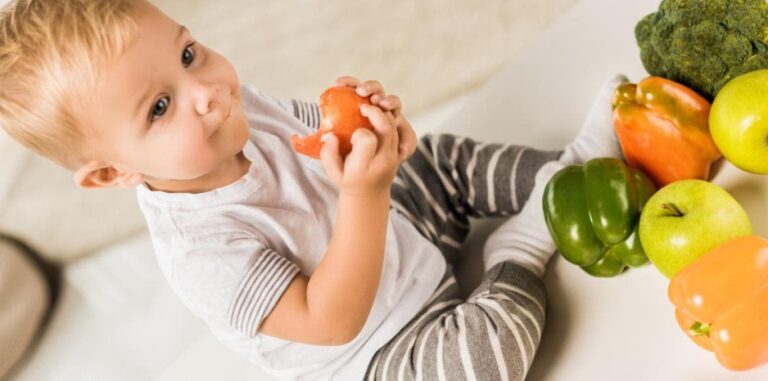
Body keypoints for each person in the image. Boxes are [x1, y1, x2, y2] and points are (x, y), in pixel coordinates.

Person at [0, 0, 624, 379]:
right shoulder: (201, 253)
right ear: (112, 172)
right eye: (160, 106)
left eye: (188, 54)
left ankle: (570, 175)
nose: (206, 91)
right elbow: (333, 319)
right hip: (385, 350)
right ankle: (520, 250)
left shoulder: (235, 110)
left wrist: (378, 138)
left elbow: (331, 151)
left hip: (403, 237)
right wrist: (365, 195)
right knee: (484, 366)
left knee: (442, 161)